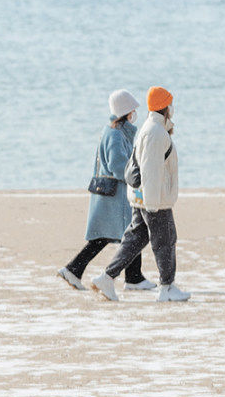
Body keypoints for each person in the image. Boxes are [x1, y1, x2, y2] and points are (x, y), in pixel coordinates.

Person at [89, 85, 191, 303]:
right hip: (153, 199)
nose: (172, 108)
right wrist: (153, 203)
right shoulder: (156, 132)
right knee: (166, 240)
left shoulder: (151, 127)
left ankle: (107, 278)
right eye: (170, 104)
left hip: (142, 197)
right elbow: (151, 169)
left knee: (134, 241)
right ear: (165, 107)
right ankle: (167, 288)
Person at [57, 89, 157, 293]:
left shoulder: (115, 131)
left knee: (114, 235)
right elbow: (117, 166)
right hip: (114, 196)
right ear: (126, 112)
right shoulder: (115, 134)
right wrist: (136, 176)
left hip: (110, 195)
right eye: (133, 110)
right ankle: (130, 277)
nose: (135, 113)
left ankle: (78, 270)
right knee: (129, 234)